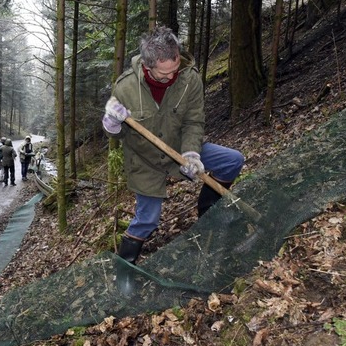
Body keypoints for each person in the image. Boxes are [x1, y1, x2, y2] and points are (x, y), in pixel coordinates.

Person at [102, 25, 244, 265]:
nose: (171, 78)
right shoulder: (125, 87)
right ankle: (124, 267)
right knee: (148, 219)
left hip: (180, 149)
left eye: (175, 69)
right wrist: (111, 123)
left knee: (233, 160)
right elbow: (117, 135)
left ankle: (208, 213)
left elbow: (193, 121)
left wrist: (191, 154)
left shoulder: (189, 79)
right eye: (163, 74)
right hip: (144, 160)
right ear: (147, 66)